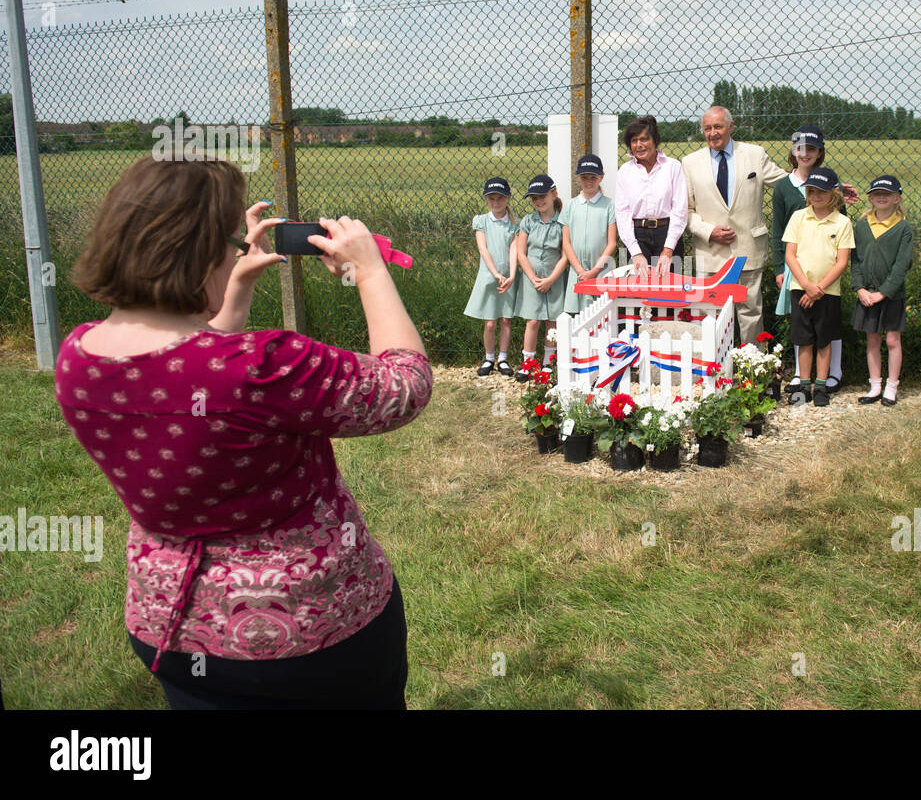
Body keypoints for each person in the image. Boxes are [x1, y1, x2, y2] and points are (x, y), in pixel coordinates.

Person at [54, 154, 431, 709]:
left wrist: (231, 291)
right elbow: (403, 387)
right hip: (313, 633)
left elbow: (185, 368)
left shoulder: (77, 359)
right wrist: (370, 272)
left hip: (175, 628)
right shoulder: (267, 364)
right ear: (204, 251)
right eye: (230, 239)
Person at [682, 106, 787, 346]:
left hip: (747, 248)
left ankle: (752, 371)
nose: (712, 133)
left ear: (731, 127)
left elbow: (786, 182)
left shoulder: (754, 155)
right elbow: (686, 211)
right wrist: (709, 231)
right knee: (710, 313)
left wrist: (830, 186)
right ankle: (711, 368)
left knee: (751, 313)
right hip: (710, 252)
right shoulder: (689, 163)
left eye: (718, 126)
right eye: (707, 128)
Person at [772, 126, 846, 393]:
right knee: (800, 320)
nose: (806, 154)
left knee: (827, 321)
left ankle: (833, 373)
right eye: (800, 148)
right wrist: (780, 266)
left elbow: (841, 220)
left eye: (812, 149)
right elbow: (778, 230)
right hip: (796, 267)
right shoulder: (783, 186)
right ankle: (802, 377)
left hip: (826, 271)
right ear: (793, 151)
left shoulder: (829, 181)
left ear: (820, 152)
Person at [781, 167, 854, 407]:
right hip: (800, 288)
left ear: (834, 193)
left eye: (822, 191)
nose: (816, 196)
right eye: (811, 191)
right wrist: (806, 285)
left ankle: (821, 386)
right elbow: (790, 255)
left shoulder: (842, 223)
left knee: (824, 340)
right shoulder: (799, 218)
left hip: (828, 291)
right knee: (804, 339)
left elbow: (842, 261)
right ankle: (804, 386)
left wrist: (819, 288)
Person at [852, 174, 914, 407]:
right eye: (876, 194)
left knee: (892, 340)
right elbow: (855, 259)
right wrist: (859, 288)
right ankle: (875, 386)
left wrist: (884, 292)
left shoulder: (903, 228)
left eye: (887, 194)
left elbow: (902, 264)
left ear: (897, 198)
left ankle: (892, 386)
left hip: (891, 295)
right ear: (869, 198)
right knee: (872, 340)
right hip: (866, 294)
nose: (881, 198)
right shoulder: (861, 225)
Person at [614, 115, 689, 278]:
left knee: (667, 294)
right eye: (634, 141)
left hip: (667, 233)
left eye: (644, 139)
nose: (639, 145)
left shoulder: (672, 167)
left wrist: (668, 249)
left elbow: (679, 210)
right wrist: (635, 252)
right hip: (637, 236)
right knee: (637, 292)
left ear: (655, 140)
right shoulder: (624, 172)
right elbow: (622, 213)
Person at [464, 176, 519, 377]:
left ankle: (503, 359)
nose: (496, 202)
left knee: (506, 320)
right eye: (492, 198)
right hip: (489, 279)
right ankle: (489, 358)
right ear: (487, 200)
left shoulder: (515, 224)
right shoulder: (482, 221)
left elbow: (514, 249)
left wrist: (511, 275)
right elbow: (483, 249)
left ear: (508, 198)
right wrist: (496, 274)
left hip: (508, 280)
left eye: (500, 198)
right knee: (490, 322)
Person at [516, 174, 568, 373]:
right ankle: (527, 364)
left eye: (542, 196)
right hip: (532, 279)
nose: (538, 201)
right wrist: (533, 278)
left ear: (553, 194)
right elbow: (521, 253)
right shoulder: (528, 222)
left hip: (554, 278)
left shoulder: (562, 223)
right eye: (534, 198)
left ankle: (548, 362)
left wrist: (551, 279)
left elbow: (565, 255)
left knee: (552, 321)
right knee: (533, 320)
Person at [561, 153, 618, 316]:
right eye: (584, 177)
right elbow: (566, 242)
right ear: (578, 178)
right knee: (576, 319)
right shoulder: (570, 205)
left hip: (600, 270)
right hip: (577, 272)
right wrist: (580, 270)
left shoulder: (609, 205)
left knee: (602, 316)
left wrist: (594, 271)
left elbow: (612, 243)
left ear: (601, 177)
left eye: (593, 177)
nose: (588, 181)